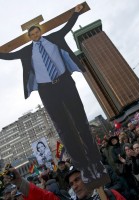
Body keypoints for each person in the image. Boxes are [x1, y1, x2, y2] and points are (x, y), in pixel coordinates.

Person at [0, 4, 108, 186]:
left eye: (37, 32)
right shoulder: (26, 51)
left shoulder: (54, 38)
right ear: (29, 37)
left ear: (40, 31)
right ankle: (84, 167)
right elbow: (7, 55)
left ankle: (96, 162)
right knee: (63, 129)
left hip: (65, 82)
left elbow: (67, 26)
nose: (35, 35)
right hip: (47, 90)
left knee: (81, 121)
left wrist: (75, 12)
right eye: (32, 34)